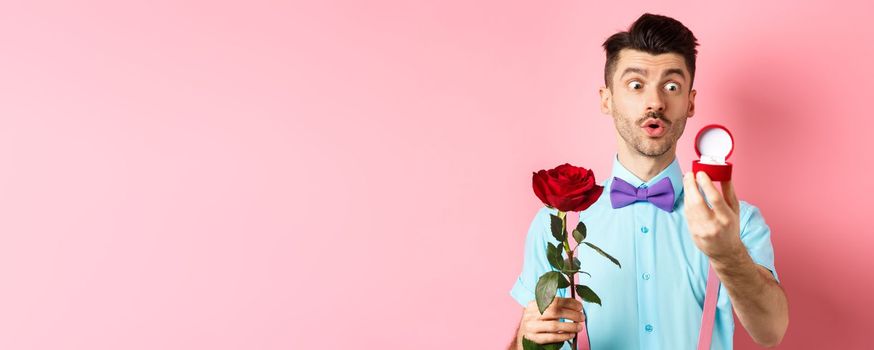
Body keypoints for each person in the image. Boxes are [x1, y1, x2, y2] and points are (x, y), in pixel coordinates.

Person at [508, 13, 789, 350]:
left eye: (672, 86)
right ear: (606, 99)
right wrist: (528, 338)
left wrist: (728, 254)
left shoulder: (738, 221)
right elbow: (527, 342)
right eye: (636, 85)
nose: (655, 101)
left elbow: (771, 331)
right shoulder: (558, 225)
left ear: (690, 102)